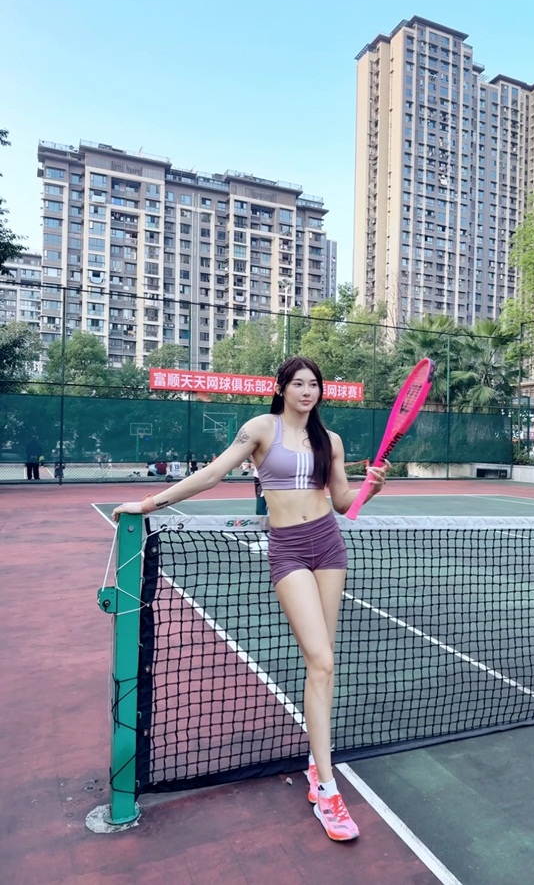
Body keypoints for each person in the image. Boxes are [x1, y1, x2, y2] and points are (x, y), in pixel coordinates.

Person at [112, 356, 389, 842]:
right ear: (281, 389)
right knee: (321, 659)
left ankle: (316, 766)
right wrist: (149, 504)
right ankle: (329, 791)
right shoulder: (261, 428)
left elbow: (344, 503)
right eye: (298, 383)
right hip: (288, 549)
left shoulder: (331, 441)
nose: (307, 391)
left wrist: (373, 487)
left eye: (314, 384)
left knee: (323, 665)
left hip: (329, 545)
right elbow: (213, 474)